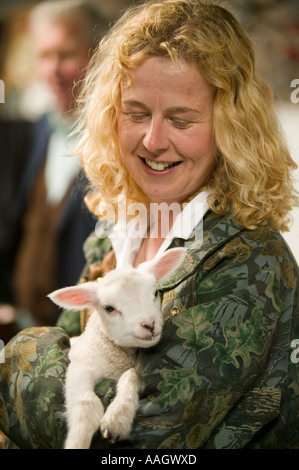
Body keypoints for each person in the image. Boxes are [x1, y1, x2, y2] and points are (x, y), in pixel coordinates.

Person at [0, 0, 298, 450]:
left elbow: (143, 439)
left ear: (230, 125)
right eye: (136, 113)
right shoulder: (115, 226)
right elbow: (73, 353)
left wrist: (13, 359)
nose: (154, 141)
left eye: (181, 119)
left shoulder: (248, 259)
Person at [0, 0, 108, 330]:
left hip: (82, 338)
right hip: (26, 331)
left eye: (65, 54)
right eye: (44, 56)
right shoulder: (37, 133)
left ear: (100, 56)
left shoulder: (119, 145)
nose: (52, 70)